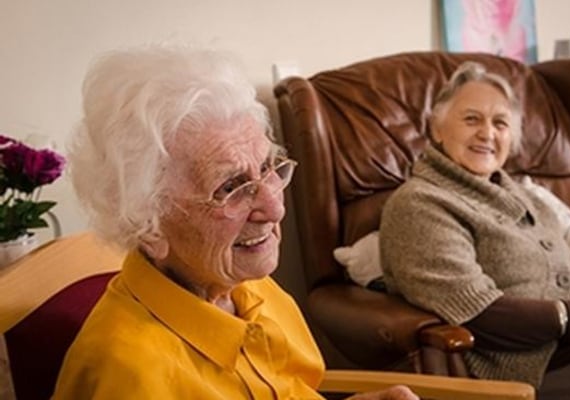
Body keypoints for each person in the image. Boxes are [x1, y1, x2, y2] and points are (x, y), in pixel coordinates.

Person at [52, 45, 418, 400]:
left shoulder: (251, 290)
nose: (274, 208)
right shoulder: (129, 374)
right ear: (148, 224)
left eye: (267, 168)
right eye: (231, 187)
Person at [379, 61, 570, 399]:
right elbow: (476, 311)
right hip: (520, 372)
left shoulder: (527, 198)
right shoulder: (419, 204)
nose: (487, 133)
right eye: (471, 119)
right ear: (436, 128)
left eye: (500, 123)